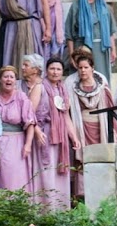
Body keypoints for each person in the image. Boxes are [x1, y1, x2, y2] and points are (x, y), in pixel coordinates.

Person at [31, 57, 80, 210]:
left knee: (59, 172)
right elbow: (29, 113)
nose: (55, 72)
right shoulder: (40, 87)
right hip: (44, 135)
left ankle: (60, 209)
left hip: (60, 137)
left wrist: (74, 137)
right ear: (46, 70)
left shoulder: (63, 90)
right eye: (52, 68)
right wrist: (37, 130)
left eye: (58, 69)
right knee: (46, 171)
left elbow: (65, 116)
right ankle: (45, 209)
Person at [67, 51, 114, 196]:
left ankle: (102, 192)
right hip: (82, 128)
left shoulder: (103, 88)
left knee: (100, 158)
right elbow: (69, 111)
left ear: (92, 68)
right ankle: (83, 195)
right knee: (83, 161)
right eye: (80, 68)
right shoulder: (73, 88)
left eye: (86, 67)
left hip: (100, 129)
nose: (83, 70)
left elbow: (111, 112)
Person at [0, 66, 37, 193]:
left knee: (13, 177)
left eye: (12, 77)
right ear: (0, 79)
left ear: (15, 80)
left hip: (15, 142)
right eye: (5, 77)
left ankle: (15, 207)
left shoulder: (21, 97)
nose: (9, 80)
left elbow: (30, 123)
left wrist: (28, 145)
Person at [64, 0, 117, 84]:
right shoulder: (76, 6)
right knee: (81, 78)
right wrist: (72, 55)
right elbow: (69, 34)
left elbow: (111, 31)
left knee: (100, 78)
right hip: (82, 48)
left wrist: (113, 49)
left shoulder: (105, 7)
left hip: (101, 48)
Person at [42, 0, 65, 65]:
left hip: (55, 41)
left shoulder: (58, 3)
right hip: (41, 40)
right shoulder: (38, 1)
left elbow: (60, 24)